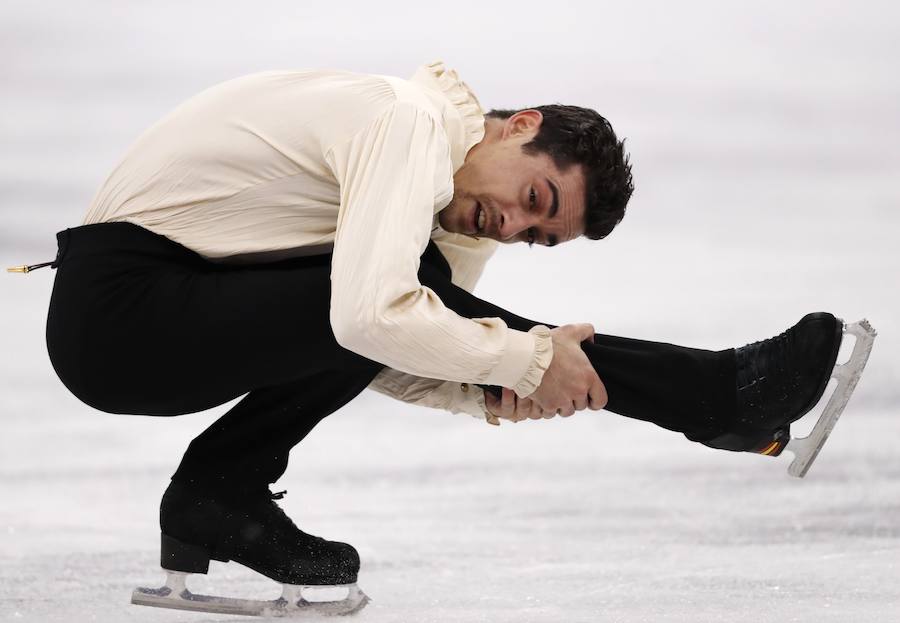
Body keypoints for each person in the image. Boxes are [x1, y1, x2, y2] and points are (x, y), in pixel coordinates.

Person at [9, 60, 858, 612]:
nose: (515, 225)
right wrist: (525, 360)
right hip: (119, 310)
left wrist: (496, 385)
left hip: (158, 314)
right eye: (536, 199)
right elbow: (370, 317)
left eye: (537, 236)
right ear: (520, 125)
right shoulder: (409, 123)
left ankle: (215, 497)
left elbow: (382, 344)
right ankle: (717, 396)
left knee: (416, 295)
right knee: (405, 293)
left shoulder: (440, 219)